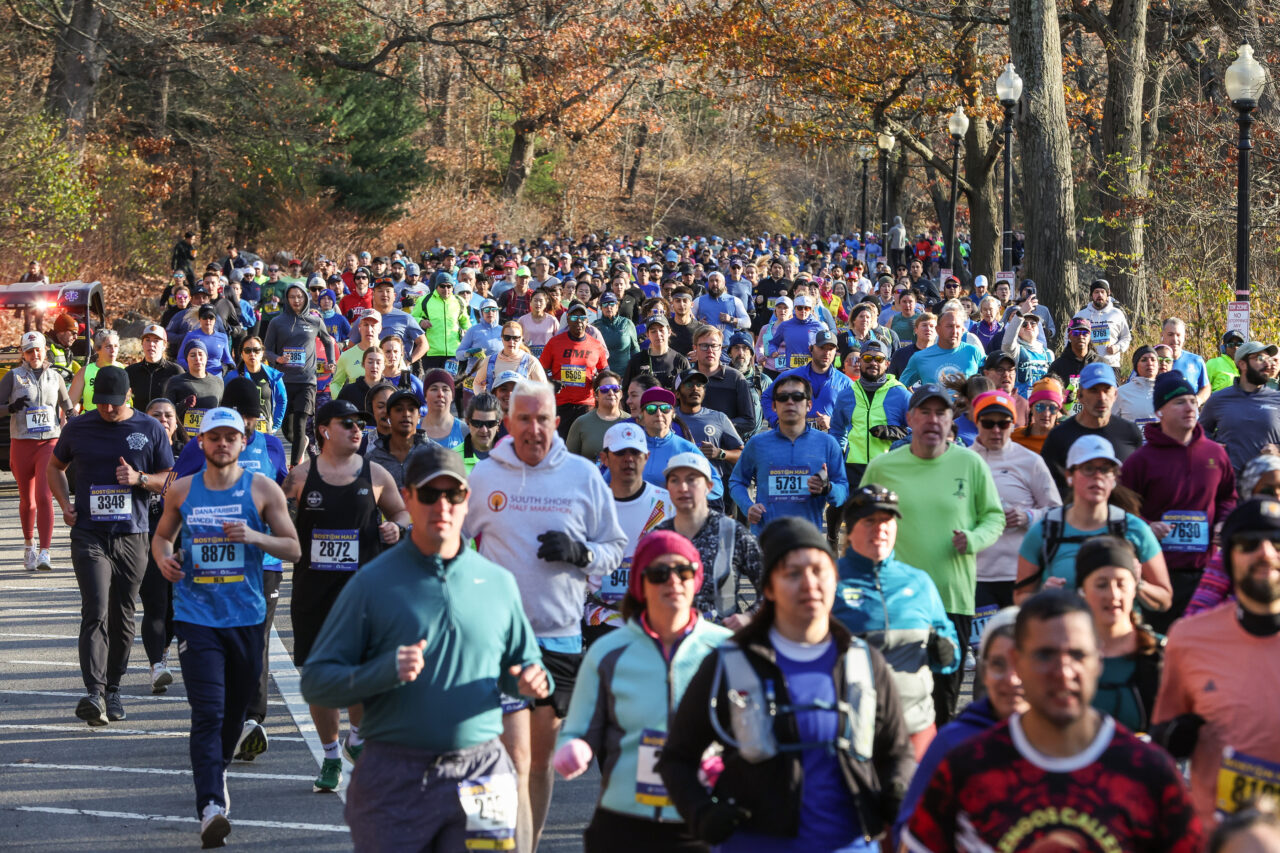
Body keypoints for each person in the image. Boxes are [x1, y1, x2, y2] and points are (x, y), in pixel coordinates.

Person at [299, 443, 550, 852]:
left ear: (467, 499)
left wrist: (529, 680)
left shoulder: (498, 583)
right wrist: (383, 670)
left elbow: (523, 666)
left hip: (482, 771)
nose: (443, 506)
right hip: (396, 773)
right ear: (408, 497)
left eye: (454, 494)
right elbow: (316, 682)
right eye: (430, 494)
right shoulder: (372, 583)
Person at [659, 516, 916, 851]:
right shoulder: (729, 662)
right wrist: (701, 813)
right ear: (768, 588)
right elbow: (676, 758)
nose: (809, 583)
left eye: (819, 570)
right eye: (792, 573)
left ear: (835, 578)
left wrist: (897, 787)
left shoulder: (865, 662)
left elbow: (898, 752)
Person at [902, 589, 1203, 852]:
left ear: (1099, 660)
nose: (1063, 671)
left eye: (1077, 654)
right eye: (1045, 655)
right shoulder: (965, 768)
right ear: (1018, 662)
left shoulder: (1148, 772)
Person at [462, 380, 627, 851]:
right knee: (507, 756)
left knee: (537, 761)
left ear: (556, 422)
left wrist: (581, 553)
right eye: (524, 419)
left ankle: (525, 845)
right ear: (508, 423)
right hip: (499, 640)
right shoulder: (486, 476)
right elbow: (454, 541)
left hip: (560, 636)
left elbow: (615, 546)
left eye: (542, 419)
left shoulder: (582, 475)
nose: (533, 429)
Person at [149, 407, 299, 847]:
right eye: (214, 437)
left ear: (242, 440)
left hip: (247, 617)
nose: (222, 444)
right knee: (209, 711)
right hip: (196, 617)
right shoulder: (182, 490)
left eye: (230, 437)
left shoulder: (263, 489)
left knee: (234, 714)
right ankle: (211, 805)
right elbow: (162, 537)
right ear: (201, 442)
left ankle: (219, 770)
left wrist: (254, 537)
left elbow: (293, 548)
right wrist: (164, 559)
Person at [555, 530, 730, 852]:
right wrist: (573, 748)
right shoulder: (608, 651)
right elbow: (579, 729)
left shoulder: (726, 650)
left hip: (703, 817)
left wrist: (726, 764)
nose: (673, 581)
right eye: (659, 573)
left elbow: (751, 733)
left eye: (683, 571)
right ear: (640, 583)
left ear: (696, 579)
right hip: (623, 822)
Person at [281, 397, 408, 792]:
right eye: (347, 423)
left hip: (362, 593)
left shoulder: (375, 474)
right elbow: (277, 521)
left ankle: (356, 736)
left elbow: (401, 513)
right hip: (313, 592)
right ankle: (331, 756)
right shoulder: (300, 477)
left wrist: (397, 528)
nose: (358, 430)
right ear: (324, 430)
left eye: (360, 424)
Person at [860, 382, 1006, 724]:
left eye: (940, 412)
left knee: (943, 704)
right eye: (924, 412)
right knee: (894, 705)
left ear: (951, 419)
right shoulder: (883, 468)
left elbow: (994, 516)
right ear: (910, 418)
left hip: (952, 600)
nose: (932, 419)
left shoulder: (970, 463)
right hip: (897, 602)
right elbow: (860, 525)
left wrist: (974, 539)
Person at [48, 366, 175, 725]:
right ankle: (94, 692)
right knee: (95, 609)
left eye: (114, 403)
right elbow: (54, 467)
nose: (107, 409)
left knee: (123, 614)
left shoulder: (149, 428)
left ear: (129, 396)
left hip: (133, 534)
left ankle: (114, 689)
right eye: (101, 402)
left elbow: (170, 479)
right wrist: (65, 504)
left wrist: (140, 478)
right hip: (89, 533)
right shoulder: (78, 427)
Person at [1153, 497, 1280, 831]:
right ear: (1228, 557)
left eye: (1278, 542)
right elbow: (1163, 738)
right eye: (1249, 543)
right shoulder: (1188, 637)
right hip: (1215, 838)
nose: (1266, 553)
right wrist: (1171, 738)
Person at [832, 485, 960, 759]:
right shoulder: (829, 580)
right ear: (850, 530)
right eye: (870, 521)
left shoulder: (919, 581)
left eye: (887, 521)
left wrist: (945, 650)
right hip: (849, 732)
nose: (880, 529)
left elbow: (952, 657)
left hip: (915, 729)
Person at [892, 607, 1026, 846]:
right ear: (983, 673)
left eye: (1023, 663)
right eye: (998, 664)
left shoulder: (1073, 742)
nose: (1012, 678)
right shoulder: (953, 743)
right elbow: (911, 833)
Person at [1120, 371, 1237, 629]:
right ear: (1160, 411)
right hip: (1157, 574)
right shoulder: (1140, 461)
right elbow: (1122, 510)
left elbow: (1228, 497)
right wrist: (1147, 527)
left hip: (1205, 573)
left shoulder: (1215, 454)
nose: (1190, 408)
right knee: (1160, 646)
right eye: (1180, 402)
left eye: (1193, 401)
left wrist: (1223, 522)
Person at [1016, 435, 1173, 612]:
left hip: (1119, 629)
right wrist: (1044, 597)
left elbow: (1164, 600)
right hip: (1064, 629)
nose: (1097, 476)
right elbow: (1020, 596)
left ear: (1114, 479)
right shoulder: (1045, 530)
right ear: (1069, 476)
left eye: (1105, 469)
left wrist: (1139, 584)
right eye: (1088, 468)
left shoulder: (1135, 530)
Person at [971, 390, 1061, 612]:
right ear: (976, 422)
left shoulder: (1031, 461)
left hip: (1022, 573)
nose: (996, 430)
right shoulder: (964, 460)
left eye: (1003, 423)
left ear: (1012, 424)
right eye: (988, 423)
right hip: (974, 574)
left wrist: (1028, 517)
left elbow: (1058, 513)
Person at [582, 424, 677, 635]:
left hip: (654, 620)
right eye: (620, 453)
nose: (628, 459)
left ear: (646, 457)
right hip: (602, 619)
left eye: (635, 452)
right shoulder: (589, 506)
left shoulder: (668, 504)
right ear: (604, 458)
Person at [729, 373, 848, 535]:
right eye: (783, 397)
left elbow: (842, 493)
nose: (790, 402)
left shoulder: (828, 444)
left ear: (809, 405)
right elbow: (736, 481)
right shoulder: (757, 443)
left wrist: (828, 488)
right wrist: (748, 506)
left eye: (797, 397)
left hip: (808, 539)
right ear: (774, 406)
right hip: (767, 538)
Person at [656, 452, 762, 625]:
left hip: (720, 635)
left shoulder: (731, 532)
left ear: (709, 487)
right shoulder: (658, 536)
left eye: (692, 480)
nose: (683, 487)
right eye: (675, 480)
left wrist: (749, 617)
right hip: (671, 636)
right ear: (667, 487)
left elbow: (773, 587)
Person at [1073, 536, 1165, 734]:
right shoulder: (1065, 655)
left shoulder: (1161, 655)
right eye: (1101, 584)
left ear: (1134, 588)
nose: (1113, 595)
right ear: (1082, 590)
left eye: (1121, 584)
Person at [2, 331, 74, 571]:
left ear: (45, 351)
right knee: (28, 501)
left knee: (44, 496)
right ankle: (29, 545)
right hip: (22, 443)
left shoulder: (55, 377)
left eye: (38, 350)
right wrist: (11, 407)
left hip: (49, 442)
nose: (34, 354)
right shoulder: (13, 377)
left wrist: (73, 418)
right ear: (23, 354)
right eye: (29, 351)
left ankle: (45, 551)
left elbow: (67, 404)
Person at [138, 397, 187, 693]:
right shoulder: (137, 451)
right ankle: (157, 665)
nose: (163, 420)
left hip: (186, 534)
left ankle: (165, 652)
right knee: (156, 602)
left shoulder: (190, 452)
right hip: (150, 532)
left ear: (176, 422)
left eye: (169, 415)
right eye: (156, 415)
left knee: (175, 607)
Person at [1039, 361, 1143, 496]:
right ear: (1080, 396)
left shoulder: (1130, 433)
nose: (1101, 397)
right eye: (1094, 390)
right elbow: (1045, 488)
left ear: (1115, 395)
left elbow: (1140, 486)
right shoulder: (1059, 437)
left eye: (1107, 389)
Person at [264, 282, 338, 467]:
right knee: (288, 429)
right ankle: (302, 443)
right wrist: (278, 359)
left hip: (307, 381)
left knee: (300, 425)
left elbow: (328, 341)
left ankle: (294, 468)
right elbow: (266, 350)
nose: (296, 300)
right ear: (287, 299)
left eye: (299, 296)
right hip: (284, 381)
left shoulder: (314, 321)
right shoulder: (277, 322)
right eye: (292, 297)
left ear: (305, 298)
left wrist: (331, 361)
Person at [831, 339, 910, 488]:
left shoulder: (901, 394)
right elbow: (837, 431)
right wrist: (838, 459)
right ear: (860, 361)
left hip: (889, 466)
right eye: (867, 358)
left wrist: (892, 432)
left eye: (879, 359)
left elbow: (918, 431)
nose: (873, 362)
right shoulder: (846, 395)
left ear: (887, 364)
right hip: (853, 469)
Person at [1201, 340, 1280, 475]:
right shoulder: (1218, 399)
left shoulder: (1277, 399)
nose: (1267, 364)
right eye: (1260, 358)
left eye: (1269, 359)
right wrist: (1210, 446)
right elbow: (1199, 432)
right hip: (1228, 483)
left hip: (1269, 484)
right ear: (1242, 364)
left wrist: (1278, 450)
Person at [540, 302, 612, 439]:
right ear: (567, 320)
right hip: (560, 405)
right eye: (574, 317)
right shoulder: (554, 342)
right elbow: (539, 370)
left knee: (584, 445)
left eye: (582, 318)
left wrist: (598, 381)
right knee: (561, 445)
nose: (578, 321)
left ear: (587, 321)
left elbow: (605, 372)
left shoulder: (596, 345)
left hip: (586, 405)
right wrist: (549, 382)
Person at [689, 325, 756, 438]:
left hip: (725, 447)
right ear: (695, 348)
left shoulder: (735, 378)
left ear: (720, 349)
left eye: (714, 346)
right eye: (704, 346)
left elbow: (749, 421)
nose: (710, 350)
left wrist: (717, 425)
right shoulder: (685, 378)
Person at [898, 304, 986, 387]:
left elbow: (990, 381)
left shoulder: (974, 352)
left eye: (958, 327)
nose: (954, 331)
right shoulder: (919, 357)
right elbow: (900, 387)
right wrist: (916, 397)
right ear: (938, 329)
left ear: (963, 330)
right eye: (949, 326)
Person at [364, 389, 436, 488]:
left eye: (411, 409)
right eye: (398, 409)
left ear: (419, 415)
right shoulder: (372, 458)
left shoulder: (436, 454)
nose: (406, 414)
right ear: (388, 416)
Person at [164, 340, 226, 435]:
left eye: (201, 354)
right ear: (187, 359)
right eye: (192, 355)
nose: (197, 358)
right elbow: (166, 413)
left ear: (206, 357)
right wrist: (183, 404)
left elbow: (222, 414)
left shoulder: (218, 382)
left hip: (209, 438)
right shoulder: (175, 381)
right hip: (183, 439)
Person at [412, 275, 470, 375]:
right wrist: (421, 321)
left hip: (453, 352)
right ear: (436, 286)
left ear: (452, 287)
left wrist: (466, 331)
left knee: (452, 382)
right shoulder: (424, 300)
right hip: (432, 353)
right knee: (433, 381)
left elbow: (465, 322)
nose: (446, 289)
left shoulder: (459, 301)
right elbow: (412, 319)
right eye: (442, 286)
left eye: (449, 286)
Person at [1071, 278, 1132, 369]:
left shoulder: (1117, 314)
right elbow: (1068, 337)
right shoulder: (1081, 315)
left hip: (1111, 365)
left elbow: (1126, 337)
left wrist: (1117, 347)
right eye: (1096, 292)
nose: (1099, 295)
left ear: (1108, 294)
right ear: (1091, 295)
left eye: (1102, 292)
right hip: (1087, 365)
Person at [565, 370, 626, 462]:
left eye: (615, 388)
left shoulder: (631, 422)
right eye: (604, 389)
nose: (611, 393)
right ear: (596, 395)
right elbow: (569, 460)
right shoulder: (581, 423)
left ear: (621, 394)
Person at [473, 321, 548, 392]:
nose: (511, 341)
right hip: (494, 402)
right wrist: (483, 398)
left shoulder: (531, 362)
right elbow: (477, 384)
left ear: (521, 339)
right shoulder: (488, 361)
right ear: (502, 338)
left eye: (515, 338)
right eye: (507, 337)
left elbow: (543, 389)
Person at [622, 315, 690, 391]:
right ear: (647, 335)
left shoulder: (680, 361)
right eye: (653, 331)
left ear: (669, 332)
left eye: (661, 330)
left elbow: (688, 391)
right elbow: (626, 391)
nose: (658, 334)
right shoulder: (636, 361)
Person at [126, 324, 182, 413]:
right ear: (142, 344)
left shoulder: (175, 371)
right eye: (147, 340)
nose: (151, 344)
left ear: (164, 345)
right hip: (138, 420)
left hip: (163, 421)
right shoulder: (130, 371)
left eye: (156, 341)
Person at [68, 328, 123, 413]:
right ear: (97, 349)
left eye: (116, 346)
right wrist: (73, 419)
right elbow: (69, 405)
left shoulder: (124, 370)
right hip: (91, 419)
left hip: (117, 418)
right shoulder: (85, 372)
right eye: (108, 346)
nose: (113, 350)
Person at [1161, 317, 1211, 404]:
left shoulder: (1196, 360)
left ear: (1184, 337)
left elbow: (1206, 387)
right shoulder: (1152, 361)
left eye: (1178, 335)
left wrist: (1197, 400)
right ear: (1162, 335)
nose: (1175, 339)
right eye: (1170, 334)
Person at [1000, 310, 1051, 397]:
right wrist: (1019, 315)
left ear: (1038, 329)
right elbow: (1007, 344)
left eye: (1033, 323)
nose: (1029, 326)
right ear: (1018, 330)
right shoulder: (1016, 351)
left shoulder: (1049, 354)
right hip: (1021, 402)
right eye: (1024, 324)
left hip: (1043, 401)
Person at [178, 305, 236, 376]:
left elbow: (228, 359)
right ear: (200, 319)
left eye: (211, 317)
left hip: (216, 377)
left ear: (215, 320)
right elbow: (180, 358)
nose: (208, 320)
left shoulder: (223, 337)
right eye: (204, 317)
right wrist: (194, 369)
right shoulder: (191, 336)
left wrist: (227, 367)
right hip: (197, 376)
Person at [1013, 377, 1064, 454]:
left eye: (1052, 408)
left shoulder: (1066, 439)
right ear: (1031, 408)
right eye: (1040, 407)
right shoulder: (1014, 438)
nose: (1046, 414)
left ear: (1058, 411)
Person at [1113, 344, 1161, 424]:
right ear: (1136, 366)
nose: (1149, 363)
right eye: (1144, 360)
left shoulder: (1167, 391)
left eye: (1153, 359)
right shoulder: (1121, 393)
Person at [420, 368, 466, 449]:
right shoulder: (412, 429)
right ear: (425, 395)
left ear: (452, 396)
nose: (440, 394)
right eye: (434, 389)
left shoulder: (465, 431)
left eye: (445, 389)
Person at [1049, 316, 1102, 384]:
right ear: (1069, 336)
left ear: (1090, 337)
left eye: (1085, 333)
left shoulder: (1101, 363)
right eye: (1076, 333)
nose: (1080, 336)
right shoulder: (1058, 366)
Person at [460, 392, 502, 472]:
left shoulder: (511, 457)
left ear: (498, 423)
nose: (484, 430)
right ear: (467, 422)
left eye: (490, 423)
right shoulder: (453, 458)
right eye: (477, 423)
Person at [336, 343, 386, 411]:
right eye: (370, 362)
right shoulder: (349, 391)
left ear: (384, 366)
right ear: (363, 364)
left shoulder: (390, 390)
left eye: (378, 363)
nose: (374, 366)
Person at [888, 311, 937, 378]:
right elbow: (891, 380)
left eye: (932, 326)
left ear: (937, 331)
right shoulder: (900, 354)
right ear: (915, 330)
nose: (928, 329)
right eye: (924, 325)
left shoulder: (942, 355)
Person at [516, 288, 560, 356]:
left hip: (547, 355)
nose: (538, 303)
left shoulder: (552, 320)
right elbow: (516, 339)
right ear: (530, 302)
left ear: (546, 303)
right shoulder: (522, 320)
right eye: (535, 300)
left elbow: (558, 340)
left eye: (541, 301)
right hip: (528, 355)